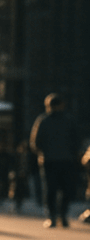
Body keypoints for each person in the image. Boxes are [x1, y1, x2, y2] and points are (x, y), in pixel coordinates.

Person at [30, 92, 81, 228]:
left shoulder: (43, 120)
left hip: (50, 160)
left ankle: (54, 216)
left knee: (51, 189)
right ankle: (61, 216)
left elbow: (35, 142)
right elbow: (76, 140)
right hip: (65, 160)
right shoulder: (68, 120)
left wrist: (42, 152)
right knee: (64, 189)